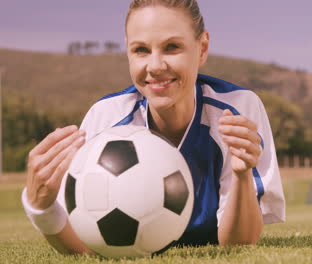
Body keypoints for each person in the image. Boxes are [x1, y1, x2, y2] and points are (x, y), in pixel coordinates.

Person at [22, 0, 285, 254]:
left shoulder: (236, 109)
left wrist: (241, 175)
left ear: (202, 48)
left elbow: (239, 246)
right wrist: (41, 208)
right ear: (127, 51)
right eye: (141, 50)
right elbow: (90, 249)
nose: (156, 66)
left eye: (172, 47)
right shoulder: (106, 118)